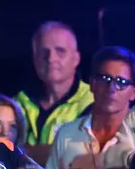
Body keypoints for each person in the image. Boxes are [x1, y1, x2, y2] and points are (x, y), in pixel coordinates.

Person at [16, 22, 94, 150]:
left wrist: (21, 152)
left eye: (60, 51)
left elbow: (81, 156)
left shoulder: (94, 103)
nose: (51, 58)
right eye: (44, 52)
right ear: (35, 59)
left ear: (76, 59)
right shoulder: (17, 103)